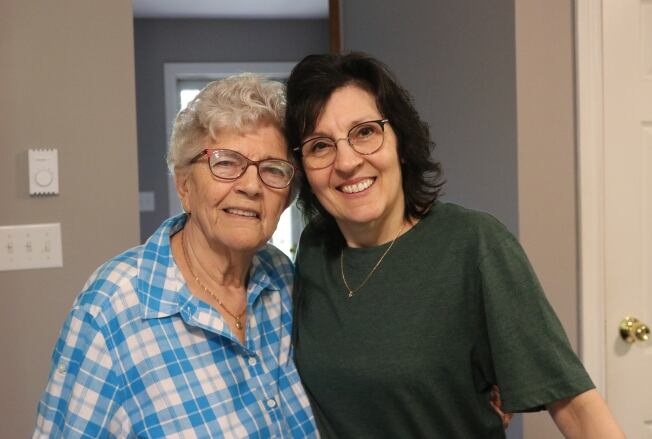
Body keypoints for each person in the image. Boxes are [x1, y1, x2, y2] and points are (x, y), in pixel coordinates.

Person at [285, 52, 624, 438]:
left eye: (365, 132)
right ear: (303, 168)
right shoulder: (314, 250)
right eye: (320, 146)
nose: (346, 162)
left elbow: (576, 407)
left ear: (399, 139)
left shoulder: (473, 245)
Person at [33, 74, 317, 438]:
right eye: (226, 163)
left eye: (272, 169)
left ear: (287, 196)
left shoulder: (282, 278)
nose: (250, 186)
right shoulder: (113, 308)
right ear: (184, 185)